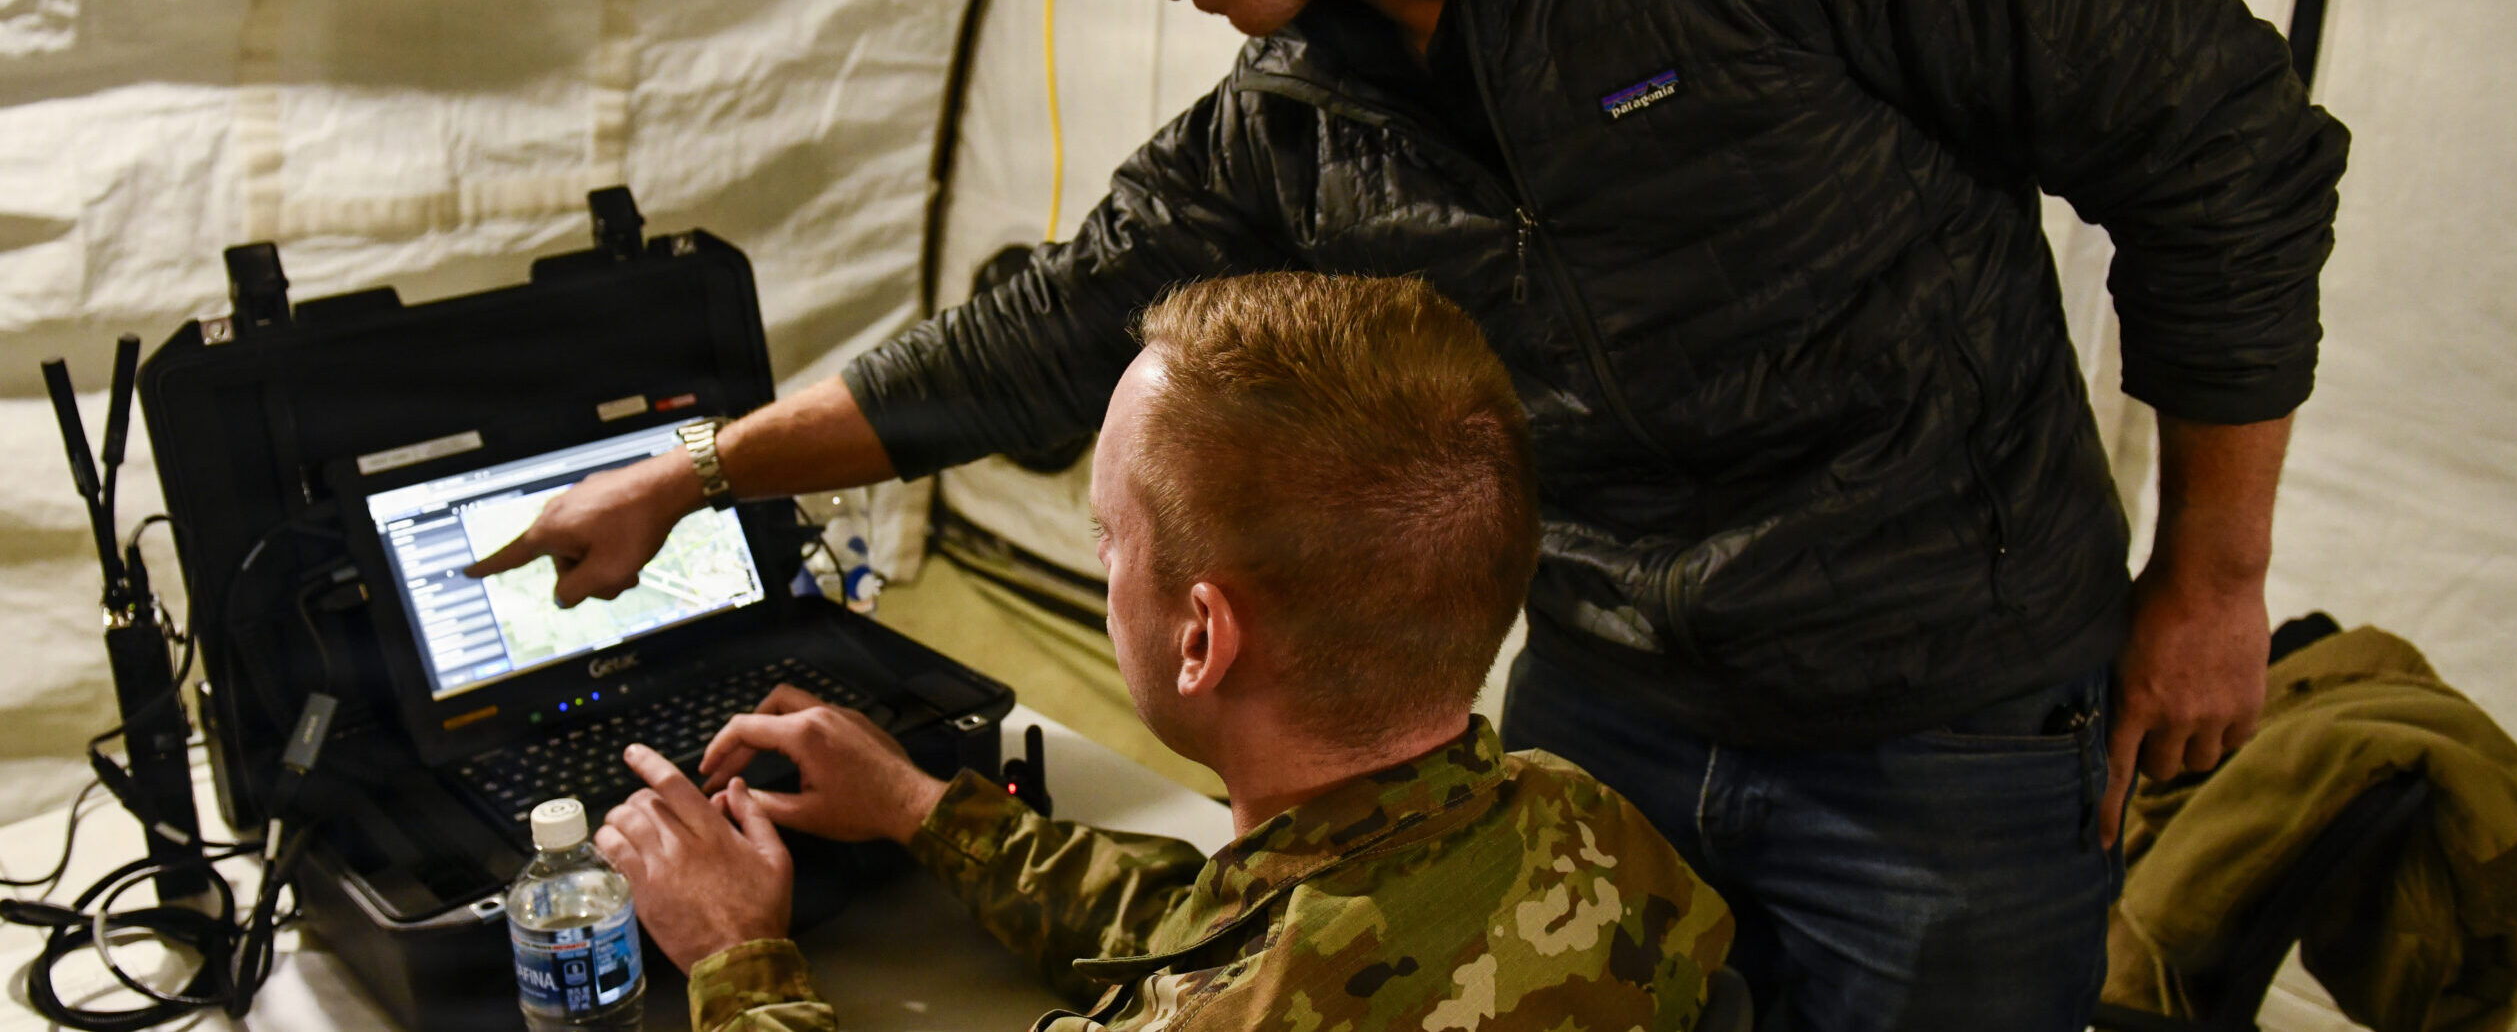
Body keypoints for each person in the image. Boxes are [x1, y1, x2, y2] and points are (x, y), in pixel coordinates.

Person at [472, 0, 2352, 1023]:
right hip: (1606, 716)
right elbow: (1040, 333)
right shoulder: (1303, 103)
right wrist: (696, 474)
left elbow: (2224, 143)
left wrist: (2213, 576)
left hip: (1945, 727)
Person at [590, 273, 1738, 1030]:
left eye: (1107, 535)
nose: (1100, 562)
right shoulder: (1589, 824)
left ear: (1200, 637)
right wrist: (918, 804)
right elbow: (1213, 931)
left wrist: (736, 954)